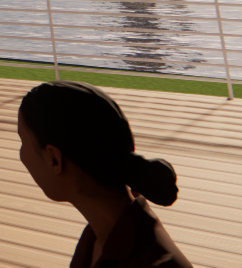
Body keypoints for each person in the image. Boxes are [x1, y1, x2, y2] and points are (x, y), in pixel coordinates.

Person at [16, 81, 192, 268]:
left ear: (54, 160)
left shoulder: (145, 260)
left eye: (22, 141)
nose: (21, 155)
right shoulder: (100, 236)